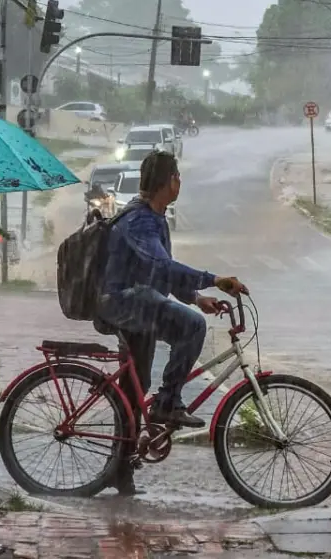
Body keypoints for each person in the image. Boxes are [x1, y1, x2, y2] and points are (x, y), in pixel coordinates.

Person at [98, 149, 247, 435]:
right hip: (124, 303)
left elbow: (158, 271)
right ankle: (167, 403)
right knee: (192, 326)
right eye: (177, 176)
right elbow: (163, 266)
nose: (179, 182)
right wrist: (214, 280)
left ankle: (122, 464)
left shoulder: (153, 217)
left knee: (135, 389)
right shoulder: (140, 220)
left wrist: (195, 297)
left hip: (137, 302)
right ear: (170, 181)